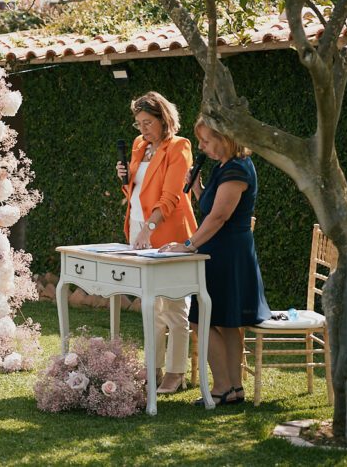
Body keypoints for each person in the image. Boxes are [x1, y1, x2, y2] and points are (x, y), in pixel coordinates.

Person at [161, 117, 271, 406]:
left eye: (206, 140)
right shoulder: (223, 167)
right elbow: (212, 207)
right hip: (220, 251)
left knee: (201, 319)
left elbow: (219, 218)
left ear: (225, 137)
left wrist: (188, 245)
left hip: (227, 255)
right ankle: (234, 390)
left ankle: (223, 387)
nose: (202, 146)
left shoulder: (236, 169)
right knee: (226, 322)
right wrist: (197, 188)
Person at [116, 92, 198, 394]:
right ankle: (153, 369)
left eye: (148, 123)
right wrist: (124, 178)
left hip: (167, 232)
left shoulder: (179, 147)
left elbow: (172, 196)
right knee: (151, 307)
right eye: (138, 124)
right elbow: (136, 192)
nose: (142, 130)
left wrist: (149, 228)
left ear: (164, 119)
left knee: (174, 307)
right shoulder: (139, 146)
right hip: (139, 228)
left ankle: (176, 374)